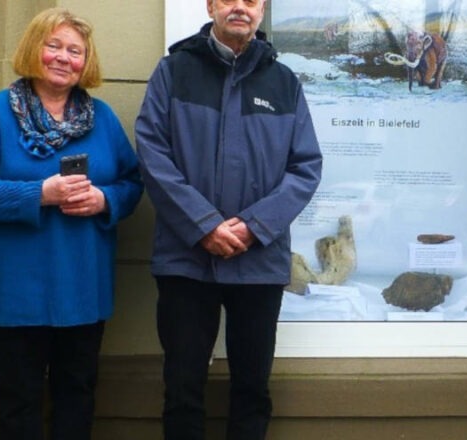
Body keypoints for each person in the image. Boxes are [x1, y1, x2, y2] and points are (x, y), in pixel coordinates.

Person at [0, 8, 143, 440]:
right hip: (13, 294)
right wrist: (39, 194)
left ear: (85, 61)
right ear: (34, 49)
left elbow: (132, 183)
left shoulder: (103, 118)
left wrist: (104, 199)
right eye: (53, 45)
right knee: (19, 409)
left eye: (75, 50)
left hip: (82, 291)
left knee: (78, 397)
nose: (63, 57)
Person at [135, 0, 322, 438]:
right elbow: (152, 153)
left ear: (261, 10)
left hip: (258, 262)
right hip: (186, 261)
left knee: (252, 390)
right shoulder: (174, 72)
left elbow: (305, 167)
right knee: (182, 389)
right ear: (211, 6)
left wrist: (254, 227)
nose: (240, 6)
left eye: (252, 0)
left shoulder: (284, 82)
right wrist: (203, 225)